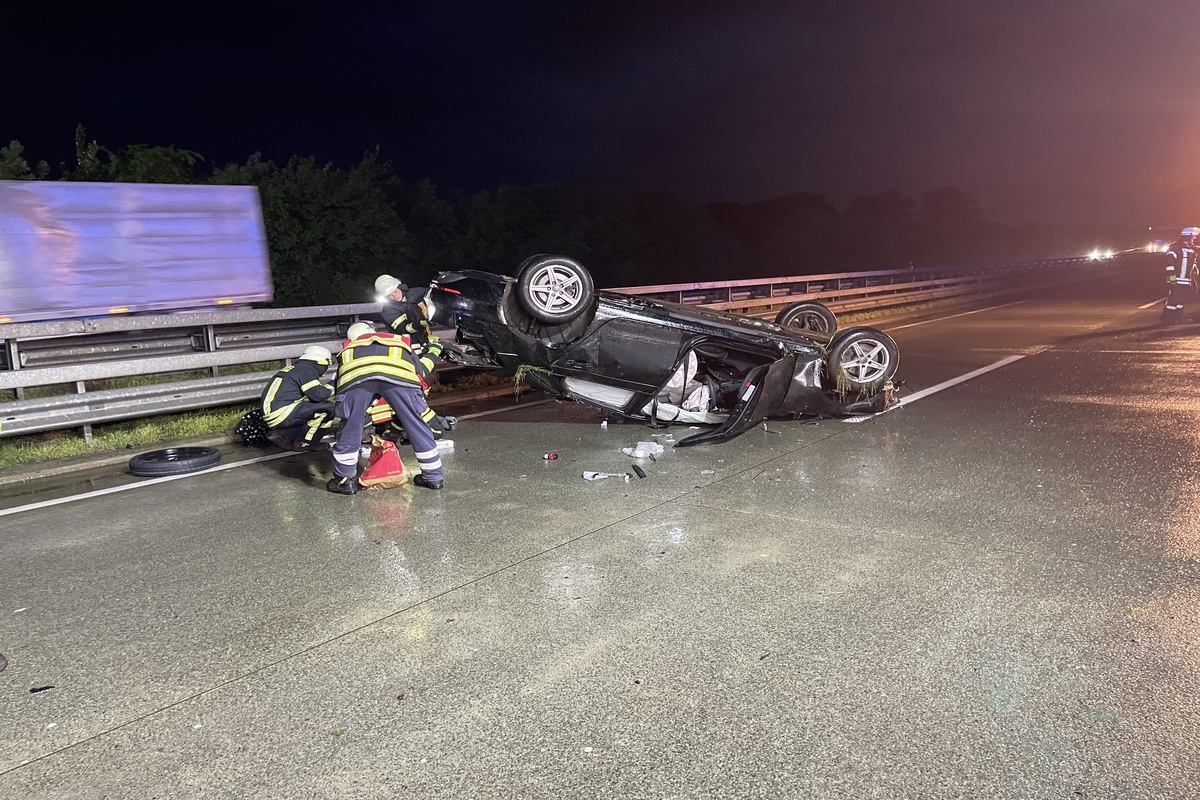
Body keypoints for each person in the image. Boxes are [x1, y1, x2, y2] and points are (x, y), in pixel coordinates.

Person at [327, 322, 445, 495]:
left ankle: (344, 481)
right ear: (372, 332)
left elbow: (341, 383)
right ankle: (433, 477)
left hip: (359, 380)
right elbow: (419, 371)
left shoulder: (348, 349)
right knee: (416, 425)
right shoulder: (398, 341)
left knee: (351, 427)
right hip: (401, 379)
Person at [259, 345, 337, 450]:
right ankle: (306, 443)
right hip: (282, 413)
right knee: (327, 408)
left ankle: (284, 435)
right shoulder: (306, 370)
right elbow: (318, 395)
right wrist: (334, 384)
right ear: (320, 363)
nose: (326, 371)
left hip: (274, 413)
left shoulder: (295, 369)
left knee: (310, 408)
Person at [376, 274, 433, 346]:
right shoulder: (388, 310)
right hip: (407, 344)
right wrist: (418, 324)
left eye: (394, 291)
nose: (394, 296)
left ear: (398, 286)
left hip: (427, 337)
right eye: (389, 295)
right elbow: (403, 328)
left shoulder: (414, 293)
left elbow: (433, 294)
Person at [1162, 226, 1200, 323]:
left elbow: (1192, 266)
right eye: (1193, 237)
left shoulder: (1190, 249)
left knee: (1180, 301)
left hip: (1186, 281)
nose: (1194, 239)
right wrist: (1172, 279)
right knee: (1173, 300)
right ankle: (1167, 319)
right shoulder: (1175, 248)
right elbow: (1169, 265)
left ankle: (1178, 318)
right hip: (1177, 280)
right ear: (1188, 237)